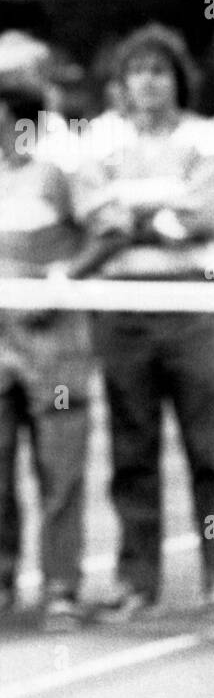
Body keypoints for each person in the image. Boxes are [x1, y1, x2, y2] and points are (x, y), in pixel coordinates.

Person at [75, 23, 214, 619]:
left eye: (159, 71)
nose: (148, 82)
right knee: (132, 450)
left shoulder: (206, 137)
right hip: (123, 307)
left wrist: (141, 215)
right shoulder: (99, 140)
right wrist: (161, 214)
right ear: (121, 83)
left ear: (177, 79)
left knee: (209, 452)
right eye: (137, 72)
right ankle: (136, 578)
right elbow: (101, 219)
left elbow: (206, 215)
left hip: (193, 302)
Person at [0, 77, 92, 630]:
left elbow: (108, 229)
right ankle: (3, 584)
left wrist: (60, 280)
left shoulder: (58, 172)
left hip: (55, 349)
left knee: (59, 471)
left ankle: (61, 588)